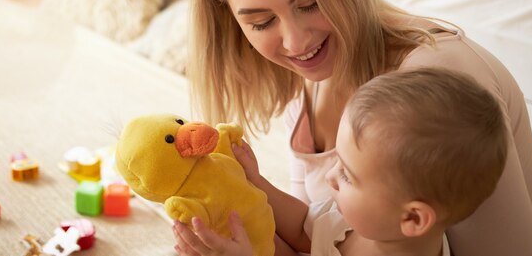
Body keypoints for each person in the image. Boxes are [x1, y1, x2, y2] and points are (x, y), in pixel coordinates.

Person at [183, 0, 532, 255]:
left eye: (310, 3)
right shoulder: (309, 85)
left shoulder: (439, 85)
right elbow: (315, 238)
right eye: (261, 22)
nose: (295, 42)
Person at [173, 68, 510, 256]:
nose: (330, 176)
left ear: (412, 218)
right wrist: (256, 183)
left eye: (348, 175)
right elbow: (305, 227)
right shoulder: (370, 225)